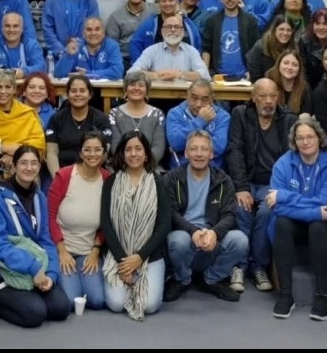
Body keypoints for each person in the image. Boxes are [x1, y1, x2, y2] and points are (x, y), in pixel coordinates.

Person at [0, 145, 70, 327]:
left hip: (33, 268)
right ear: (13, 166)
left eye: (34, 163)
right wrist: (33, 268)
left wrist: (51, 273)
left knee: (61, 308)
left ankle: (30, 292)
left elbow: (45, 239)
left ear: (39, 167)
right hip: (0, 270)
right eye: (23, 163)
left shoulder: (39, 197)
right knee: (35, 314)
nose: (29, 168)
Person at [269, 119, 327, 321]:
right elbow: (276, 206)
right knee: (282, 223)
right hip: (295, 222)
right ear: (294, 141)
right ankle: (285, 295)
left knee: (318, 227)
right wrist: (313, 211)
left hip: (321, 225)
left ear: (319, 138)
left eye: (310, 136)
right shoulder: (283, 164)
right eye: (300, 138)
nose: (305, 142)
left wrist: (285, 197)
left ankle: (323, 297)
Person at [227, 78, 298, 292]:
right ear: (253, 97)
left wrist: (279, 190)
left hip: (272, 183)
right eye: (263, 96)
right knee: (241, 208)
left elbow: (291, 159)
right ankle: (239, 265)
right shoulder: (240, 115)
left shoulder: (287, 120)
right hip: (247, 180)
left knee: (268, 211)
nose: (268, 101)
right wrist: (241, 187)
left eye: (272, 96)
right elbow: (235, 151)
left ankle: (258, 267)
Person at [162, 131, 247, 303]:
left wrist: (215, 233)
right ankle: (182, 279)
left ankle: (211, 279)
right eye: (194, 149)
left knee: (240, 240)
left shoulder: (223, 180)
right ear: (186, 153)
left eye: (204, 149)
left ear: (211, 153)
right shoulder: (172, 178)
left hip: (211, 240)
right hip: (185, 237)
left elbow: (230, 215)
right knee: (178, 240)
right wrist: (193, 231)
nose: (199, 154)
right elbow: (169, 212)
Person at [101, 132, 171, 320]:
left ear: (146, 154)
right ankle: (129, 279)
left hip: (149, 255)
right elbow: (106, 224)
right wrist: (125, 263)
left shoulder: (158, 182)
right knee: (116, 304)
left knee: (150, 306)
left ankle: (152, 278)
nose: (133, 154)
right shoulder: (111, 182)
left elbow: (164, 225)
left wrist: (139, 257)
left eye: (138, 149)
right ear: (122, 154)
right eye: (128, 149)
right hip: (119, 256)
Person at [47, 132, 110, 311]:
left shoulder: (107, 180)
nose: (92, 154)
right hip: (63, 249)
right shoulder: (64, 176)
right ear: (81, 153)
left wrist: (96, 250)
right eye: (87, 150)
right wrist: (61, 250)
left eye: (98, 150)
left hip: (88, 252)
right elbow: (50, 217)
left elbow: (108, 220)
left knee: (97, 301)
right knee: (70, 300)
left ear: (104, 153)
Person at [0, 69, 46, 190]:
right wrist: (3, 148)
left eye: (8, 87)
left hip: (25, 167)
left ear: (14, 90)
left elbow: (38, 145)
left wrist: (15, 155)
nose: (3, 91)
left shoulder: (26, 113)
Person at [45, 75, 112, 176]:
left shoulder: (101, 119)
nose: (78, 94)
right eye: (73, 91)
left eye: (82, 90)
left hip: (93, 171)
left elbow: (103, 153)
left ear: (90, 94)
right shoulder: (56, 119)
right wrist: (58, 178)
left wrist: (84, 177)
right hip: (62, 172)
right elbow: (51, 153)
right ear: (67, 94)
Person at [165, 79, 230, 169]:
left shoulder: (222, 116)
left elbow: (218, 147)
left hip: (213, 172)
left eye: (204, 99)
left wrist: (189, 146)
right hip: (180, 171)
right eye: (194, 98)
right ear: (187, 95)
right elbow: (176, 144)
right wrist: (200, 121)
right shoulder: (175, 113)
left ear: (212, 98)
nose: (198, 104)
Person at [108, 72, 167, 165]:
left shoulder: (157, 114)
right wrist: (131, 164)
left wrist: (142, 164)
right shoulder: (114, 114)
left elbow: (159, 147)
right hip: (122, 166)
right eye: (132, 85)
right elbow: (116, 147)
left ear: (147, 91)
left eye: (141, 85)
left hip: (149, 167)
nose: (136, 88)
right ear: (125, 90)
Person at [246, 15, 297, 83]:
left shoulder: (295, 48)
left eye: (289, 30)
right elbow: (255, 74)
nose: (285, 33)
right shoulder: (260, 46)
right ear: (274, 29)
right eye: (281, 29)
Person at [265, 49, 312, 115]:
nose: (290, 67)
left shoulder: (305, 89)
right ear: (279, 64)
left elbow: (306, 116)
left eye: (295, 65)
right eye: (286, 63)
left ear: (299, 69)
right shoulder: (268, 84)